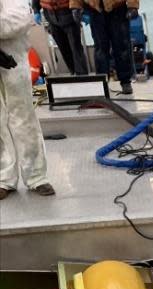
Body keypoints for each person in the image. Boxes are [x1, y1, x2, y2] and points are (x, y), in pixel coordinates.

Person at [0, 0, 55, 199]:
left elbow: (21, 18)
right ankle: (4, 178)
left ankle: (36, 176)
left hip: (13, 60)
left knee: (24, 118)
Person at [70, 0, 138, 94]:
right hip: (95, 10)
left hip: (117, 9)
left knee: (122, 47)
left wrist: (133, 5)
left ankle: (126, 82)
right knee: (100, 49)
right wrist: (75, 6)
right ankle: (102, 83)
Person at [31, 0, 88, 75]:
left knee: (75, 48)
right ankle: (73, 72)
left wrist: (81, 10)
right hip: (51, 18)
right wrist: (36, 10)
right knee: (63, 49)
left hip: (69, 17)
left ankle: (82, 75)